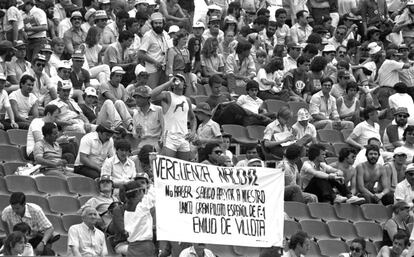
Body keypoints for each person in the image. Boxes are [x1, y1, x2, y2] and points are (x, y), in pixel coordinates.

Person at [151, 74, 196, 161]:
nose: (178, 81)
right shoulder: (168, 95)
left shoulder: (187, 100)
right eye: (176, 79)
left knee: (184, 165)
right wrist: (168, 83)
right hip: (170, 135)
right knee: (168, 163)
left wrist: (193, 131)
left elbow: (192, 118)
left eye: (181, 80)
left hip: (184, 136)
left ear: (184, 84)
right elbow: (152, 95)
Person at [123, 180, 156, 257]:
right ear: (138, 192)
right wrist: (152, 184)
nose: (144, 193)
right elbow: (152, 195)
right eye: (143, 191)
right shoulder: (141, 207)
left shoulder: (126, 210)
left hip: (132, 247)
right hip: (144, 247)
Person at [138, 12, 170, 88]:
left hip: (164, 69)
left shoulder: (165, 34)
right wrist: (155, 62)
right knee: (152, 93)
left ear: (163, 23)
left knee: (163, 93)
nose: (158, 25)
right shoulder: (148, 35)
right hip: (152, 70)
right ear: (152, 24)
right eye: (156, 23)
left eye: (160, 23)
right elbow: (140, 54)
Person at [131, 85, 164, 151]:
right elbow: (135, 135)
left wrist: (160, 144)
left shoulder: (158, 110)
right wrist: (137, 132)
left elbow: (164, 128)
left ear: (147, 98)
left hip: (157, 143)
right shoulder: (136, 113)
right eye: (136, 97)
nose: (137, 100)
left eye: (140, 97)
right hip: (142, 144)